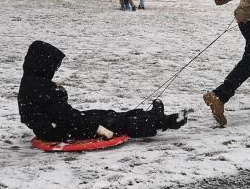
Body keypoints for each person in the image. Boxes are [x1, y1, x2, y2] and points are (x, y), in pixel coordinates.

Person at [17, 40, 186, 141]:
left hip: (54, 126)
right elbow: (66, 115)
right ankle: (164, 121)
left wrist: (53, 90)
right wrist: (97, 128)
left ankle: (151, 115)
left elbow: (48, 110)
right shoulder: (39, 88)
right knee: (114, 123)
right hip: (58, 130)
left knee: (106, 114)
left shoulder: (33, 81)